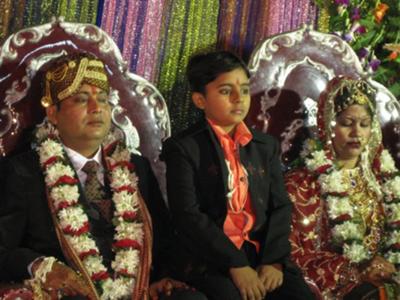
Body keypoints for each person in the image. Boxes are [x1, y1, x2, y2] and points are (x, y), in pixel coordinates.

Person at [0, 53, 207, 300]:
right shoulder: (22, 172)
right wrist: (39, 266)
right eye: (81, 99)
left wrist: (161, 277)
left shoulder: (135, 166)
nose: (96, 108)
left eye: (102, 99)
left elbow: (163, 239)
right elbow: (3, 250)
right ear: (53, 113)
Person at [161, 51, 315, 300]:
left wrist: (273, 261)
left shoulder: (264, 146)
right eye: (225, 91)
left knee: (298, 296)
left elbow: (281, 206)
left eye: (244, 90)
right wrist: (236, 264)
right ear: (200, 100)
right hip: (210, 257)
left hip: (260, 254)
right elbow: (188, 215)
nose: (238, 98)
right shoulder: (184, 148)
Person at [286, 77, 400, 299]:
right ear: (329, 123)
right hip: (345, 289)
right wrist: (356, 271)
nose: (357, 132)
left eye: (364, 124)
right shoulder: (302, 186)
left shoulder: (384, 181)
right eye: (347, 123)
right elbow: (295, 256)